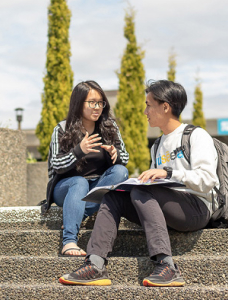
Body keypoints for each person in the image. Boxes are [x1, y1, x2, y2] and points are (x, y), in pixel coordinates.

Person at [59, 80, 218, 286]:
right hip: (166, 206)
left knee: (141, 193)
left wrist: (167, 173)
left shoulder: (196, 136)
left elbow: (207, 180)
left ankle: (167, 266)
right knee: (114, 196)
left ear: (165, 107)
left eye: (149, 105)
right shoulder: (158, 144)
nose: (145, 111)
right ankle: (95, 264)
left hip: (196, 208)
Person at [42, 80, 129, 257]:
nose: (97, 107)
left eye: (100, 102)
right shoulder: (62, 128)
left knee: (121, 172)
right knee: (79, 182)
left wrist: (115, 154)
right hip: (66, 188)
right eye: (92, 102)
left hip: (97, 187)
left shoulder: (110, 128)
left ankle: (77, 213)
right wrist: (78, 151)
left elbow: (125, 158)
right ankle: (69, 242)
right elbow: (56, 165)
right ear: (78, 103)